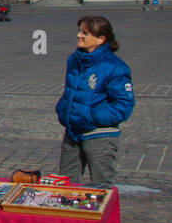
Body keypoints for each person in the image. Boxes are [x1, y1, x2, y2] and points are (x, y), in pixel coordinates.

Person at [55, 16, 134, 188]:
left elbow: (124, 105)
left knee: (101, 187)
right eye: (79, 31)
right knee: (65, 185)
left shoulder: (115, 67)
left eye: (85, 33)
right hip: (73, 131)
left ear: (100, 39)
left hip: (99, 134)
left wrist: (92, 117)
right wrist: (63, 110)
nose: (79, 36)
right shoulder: (74, 60)